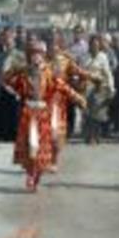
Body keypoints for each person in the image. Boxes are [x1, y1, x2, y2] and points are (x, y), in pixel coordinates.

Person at [4, 43, 85, 193]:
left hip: (43, 113)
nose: (36, 56)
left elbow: (62, 86)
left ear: (43, 55)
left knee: (42, 148)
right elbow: (7, 80)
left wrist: (77, 98)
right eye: (33, 53)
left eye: (39, 53)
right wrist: (15, 69)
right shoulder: (24, 73)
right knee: (30, 145)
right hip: (28, 112)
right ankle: (29, 174)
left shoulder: (49, 73)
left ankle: (37, 177)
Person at [47, 33, 91, 172]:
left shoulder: (65, 60)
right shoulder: (40, 60)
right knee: (43, 132)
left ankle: (54, 160)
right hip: (42, 102)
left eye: (55, 43)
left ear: (60, 44)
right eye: (50, 43)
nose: (53, 46)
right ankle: (43, 159)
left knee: (56, 132)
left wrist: (91, 78)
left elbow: (78, 73)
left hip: (59, 101)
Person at [82, 35, 116, 145]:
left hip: (99, 88)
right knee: (87, 113)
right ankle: (89, 135)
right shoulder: (84, 57)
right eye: (93, 45)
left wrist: (111, 87)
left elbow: (108, 73)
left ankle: (95, 135)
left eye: (97, 45)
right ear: (90, 46)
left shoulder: (103, 57)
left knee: (97, 113)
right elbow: (80, 71)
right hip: (86, 87)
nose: (95, 47)